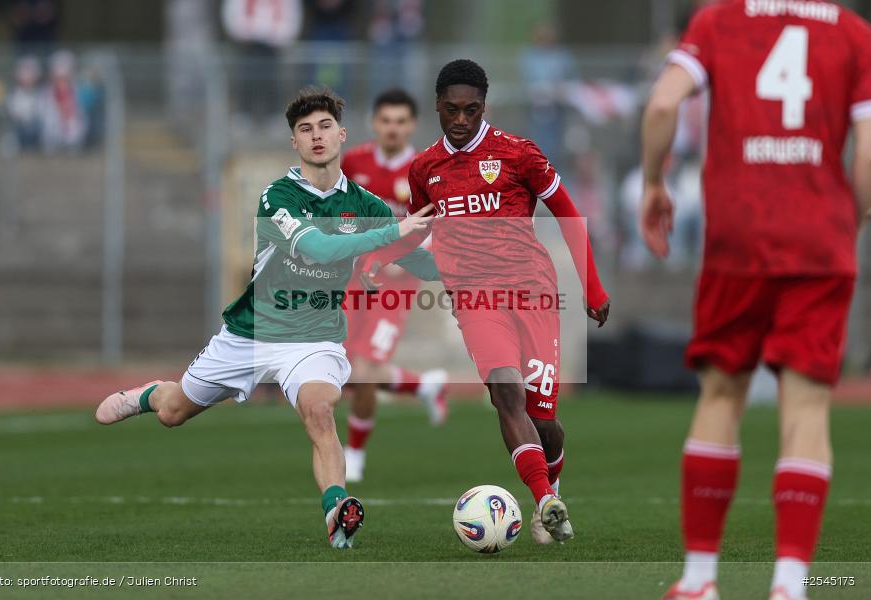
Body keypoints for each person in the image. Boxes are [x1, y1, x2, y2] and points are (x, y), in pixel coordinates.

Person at [95, 87, 439, 550]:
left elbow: (416, 256)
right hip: (251, 333)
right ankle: (152, 394)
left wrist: (470, 269)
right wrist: (393, 230)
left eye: (323, 127)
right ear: (294, 143)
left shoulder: (366, 205)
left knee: (319, 411)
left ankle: (337, 511)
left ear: (341, 134)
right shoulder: (277, 196)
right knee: (175, 413)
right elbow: (316, 246)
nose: (316, 136)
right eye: (304, 130)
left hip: (314, 336)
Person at [640, 2, 871, 599]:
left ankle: (698, 582)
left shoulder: (718, 20)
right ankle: (790, 586)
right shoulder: (852, 33)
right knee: (807, 409)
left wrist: (652, 183)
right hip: (819, 240)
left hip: (738, 237)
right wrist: (852, 220)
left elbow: (665, 102)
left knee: (721, 393)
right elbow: (868, 155)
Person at [362, 59, 610, 544]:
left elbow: (567, 213)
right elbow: (417, 230)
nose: (460, 120)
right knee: (505, 392)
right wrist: (378, 256)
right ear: (437, 106)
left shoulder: (519, 154)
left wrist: (593, 288)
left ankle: (551, 486)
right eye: (451, 110)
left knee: (545, 421)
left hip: (534, 292)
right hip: (475, 299)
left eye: (470, 110)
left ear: (483, 108)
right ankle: (544, 500)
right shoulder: (425, 169)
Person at [340, 88, 448, 483]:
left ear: (412, 125)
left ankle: (353, 453)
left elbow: (442, 225)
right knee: (347, 369)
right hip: (354, 278)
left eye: (401, 121)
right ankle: (424, 385)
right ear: (374, 123)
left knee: (366, 368)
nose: (393, 128)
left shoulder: (425, 170)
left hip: (396, 285)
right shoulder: (354, 162)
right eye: (386, 120)